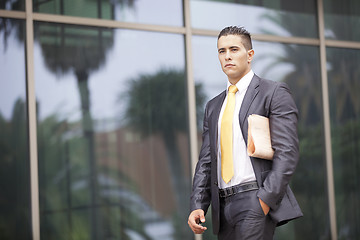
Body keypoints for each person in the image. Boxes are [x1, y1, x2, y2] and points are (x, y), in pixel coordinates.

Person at [188, 26, 303, 240]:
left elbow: (287, 152)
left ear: (249, 55)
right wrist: (198, 204)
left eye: (234, 49)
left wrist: (265, 200)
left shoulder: (273, 92)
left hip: (254, 199)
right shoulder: (213, 106)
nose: (227, 56)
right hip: (222, 207)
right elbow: (206, 161)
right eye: (222, 51)